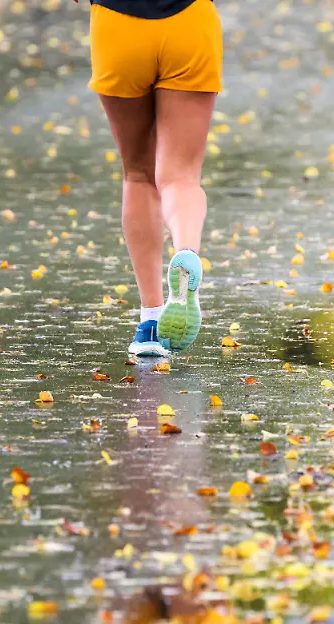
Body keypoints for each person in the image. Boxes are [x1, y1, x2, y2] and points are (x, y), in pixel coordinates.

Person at [86, 0, 222, 357]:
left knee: (138, 174)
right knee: (181, 177)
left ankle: (149, 322)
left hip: (118, 26)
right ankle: (186, 253)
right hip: (189, 23)